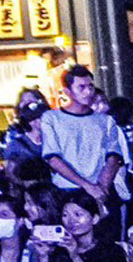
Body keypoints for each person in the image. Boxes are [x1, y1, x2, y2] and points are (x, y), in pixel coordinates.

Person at [43, 65, 127, 204]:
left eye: (91, 86)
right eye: (81, 87)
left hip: (101, 189)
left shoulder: (105, 120)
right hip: (67, 189)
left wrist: (102, 187)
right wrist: (87, 186)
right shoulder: (52, 118)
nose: (88, 92)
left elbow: (114, 156)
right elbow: (53, 158)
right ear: (67, 91)